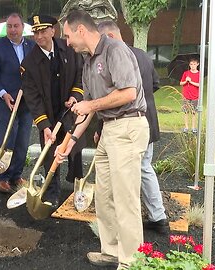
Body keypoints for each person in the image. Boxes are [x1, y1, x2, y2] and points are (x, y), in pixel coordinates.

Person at [59, 10, 149, 269]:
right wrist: (69, 143)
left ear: (81, 31)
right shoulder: (87, 63)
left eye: (67, 35)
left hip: (129, 125)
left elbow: (129, 93)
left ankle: (132, 261)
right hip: (109, 130)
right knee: (105, 195)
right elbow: (88, 111)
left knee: (125, 198)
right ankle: (110, 251)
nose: (67, 42)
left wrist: (91, 105)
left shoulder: (115, 50)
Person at [97, 21, 168, 234]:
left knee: (133, 172)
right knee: (145, 167)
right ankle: (158, 215)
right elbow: (155, 84)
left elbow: (114, 95)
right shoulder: (143, 55)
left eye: (102, 39)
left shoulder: (114, 57)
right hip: (149, 120)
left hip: (129, 124)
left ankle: (144, 219)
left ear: (110, 35)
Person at [21, 15, 85, 208]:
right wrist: (44, 125)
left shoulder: (70, 49)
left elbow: (80, 74)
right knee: (50, 154)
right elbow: (32, 98)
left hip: (70, 111)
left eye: (42, 31)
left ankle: (78, 187)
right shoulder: (28, 63)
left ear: (52, 31)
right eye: (35, 32)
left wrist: (76, 95)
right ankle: (51, 192)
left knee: (75, 151)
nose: (39, 36)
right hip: (48, 115)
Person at [0, 13, 35, 193]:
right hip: (4, 101)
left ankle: (16, 175)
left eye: (16, 26)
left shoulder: (32, 46)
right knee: (7, 139)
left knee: (22, 140)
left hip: (26, 102)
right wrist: (3, 94)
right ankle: (3, 177)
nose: (12, 30)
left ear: (22, 28)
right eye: (9, 26)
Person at [179, 58, 200, 133]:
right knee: (186, 112)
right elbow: (181, 83)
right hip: (186, 95)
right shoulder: (186, 73)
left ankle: (193, 127)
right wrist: (186, 81)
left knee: (194, 112)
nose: (193, 66)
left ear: (197, 64)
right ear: (189, 65)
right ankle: (186, 127)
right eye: (191, 64)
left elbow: (199, 85)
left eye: (194, 64)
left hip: (195, 95)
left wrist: (191, 82)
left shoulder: (199, 74)